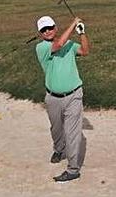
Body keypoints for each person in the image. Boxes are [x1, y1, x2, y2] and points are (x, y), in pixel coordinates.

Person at [35, 15, 90, 182]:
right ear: (40, 33)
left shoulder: (70, 44)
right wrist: (73, 23)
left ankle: (73, 169)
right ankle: (59, 149)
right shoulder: (41, 48)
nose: (48, 31)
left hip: (74, 95)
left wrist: (82, 33)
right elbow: (58, 45)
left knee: (72, 133)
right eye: (44, 30)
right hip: (53, 98)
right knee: (56, 129)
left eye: (50, 27)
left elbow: (85, 51)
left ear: (56, 28)